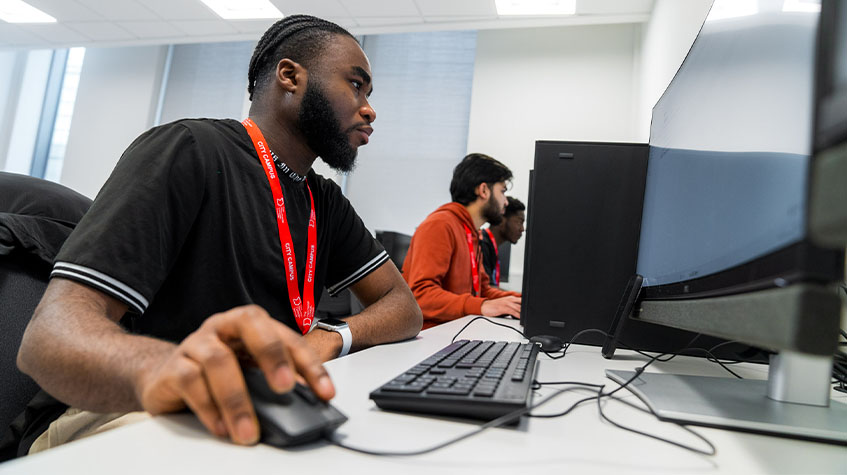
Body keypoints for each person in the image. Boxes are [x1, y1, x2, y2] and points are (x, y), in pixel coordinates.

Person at [10, 15, 422, 457]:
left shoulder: (324, 199)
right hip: (123, 407)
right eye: (356, 85)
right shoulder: (188, 149)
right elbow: (47, 342)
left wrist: (329, 336)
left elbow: (404, 309)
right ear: (290, 77)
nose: (369, 108)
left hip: (258, 401)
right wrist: (173, 368)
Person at [402, 153, 521, 330]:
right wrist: (481, 306)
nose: (505, 202)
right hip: (431, 338)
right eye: (502, 191)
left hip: (457, 331)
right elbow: (421, 296)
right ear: (483, 190)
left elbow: (482, 291)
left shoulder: (472, 233)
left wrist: (519, 300)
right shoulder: (440, 225)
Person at [480, 197, 526, 287]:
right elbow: (486, 290)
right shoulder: (482, 244)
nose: (522, 229)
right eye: (519, 222)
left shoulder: (491, 247)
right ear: (502, 219)